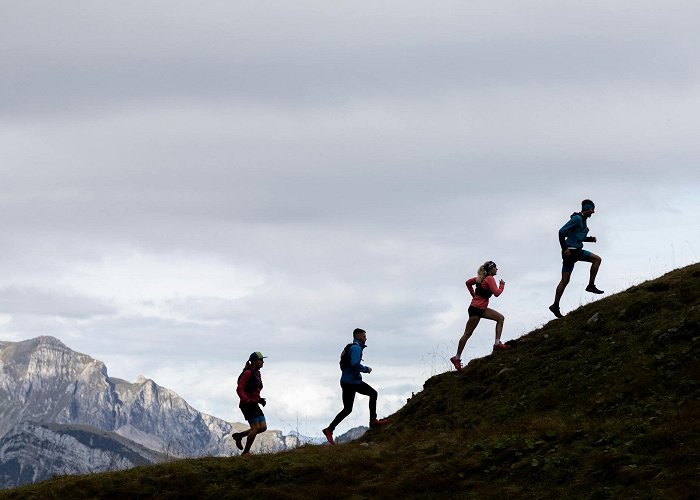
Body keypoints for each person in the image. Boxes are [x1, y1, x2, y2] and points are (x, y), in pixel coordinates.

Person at [322, 328, 390, 445]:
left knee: (347, 409)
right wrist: (366, 369)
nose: (366, 338)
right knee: (373, 394)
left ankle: (329, 429)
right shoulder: (356, 348)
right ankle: (373, 421)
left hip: (346, 381)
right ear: (358, 336)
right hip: (353, 382)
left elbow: (345, 365)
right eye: (364, 336)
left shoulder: (349, 348)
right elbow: (354, 364)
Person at [450, 260, 509, 372]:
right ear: (491, 269)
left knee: (500, 318)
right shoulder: (489, 278)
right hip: (476, 310)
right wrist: (502, 286)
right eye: (495, 267)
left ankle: (497, 344)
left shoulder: (480, 278)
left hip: (481, 309)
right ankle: (456, 358)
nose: (497, 269)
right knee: (467, 334)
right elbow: (496, 293)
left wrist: (473, 295)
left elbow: (468, 282)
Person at [549, 199, 603, 319]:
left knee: (565, 280)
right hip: (572, 251)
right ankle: (591, 285)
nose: (593, 212)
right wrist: (564, 248)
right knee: (597, 260)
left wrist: (589, 239)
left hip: (572, 251)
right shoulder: (577, 219)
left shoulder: (582, 221)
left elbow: (574, 235)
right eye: (592, 209)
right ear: (587, 209)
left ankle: (555, 305)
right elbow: (561, 232)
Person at [232, 351, 268, 456]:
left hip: (254, 403)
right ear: (255, 361)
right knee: (255, 428)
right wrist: (246, 399)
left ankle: (239, 436)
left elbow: (253, 389)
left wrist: (259, 399)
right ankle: (246, 452)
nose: (263, 362)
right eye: (261, 360)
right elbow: (239, 389)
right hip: (247, 404)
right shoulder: (248, 373)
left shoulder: (256, 373)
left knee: (263, 427)